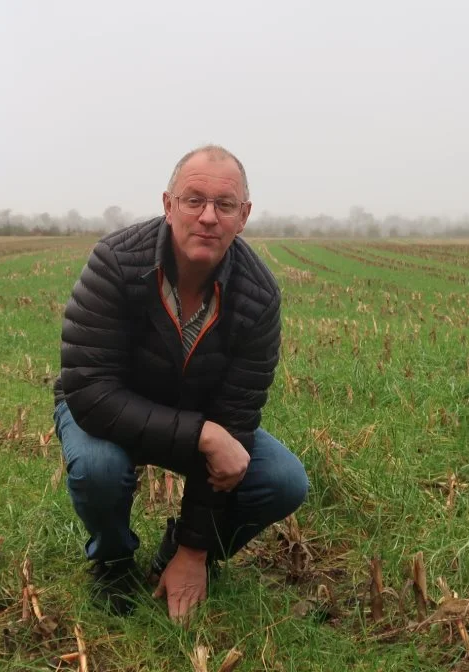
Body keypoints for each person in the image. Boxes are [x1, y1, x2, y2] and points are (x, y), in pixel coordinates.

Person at [51, 145, 309, 624]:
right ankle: (113, 560)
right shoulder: (115, 262)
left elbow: (236, 418)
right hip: (105, 410)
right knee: (99, 467)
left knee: (282, 481)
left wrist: (194, 547)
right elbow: (89, 390)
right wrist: (203, 435)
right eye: (194, 200)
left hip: (193, 413)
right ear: (168, 206)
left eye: (224, 205)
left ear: (244, 216)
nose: (208, 216)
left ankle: (182, 552)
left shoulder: (259, 297)